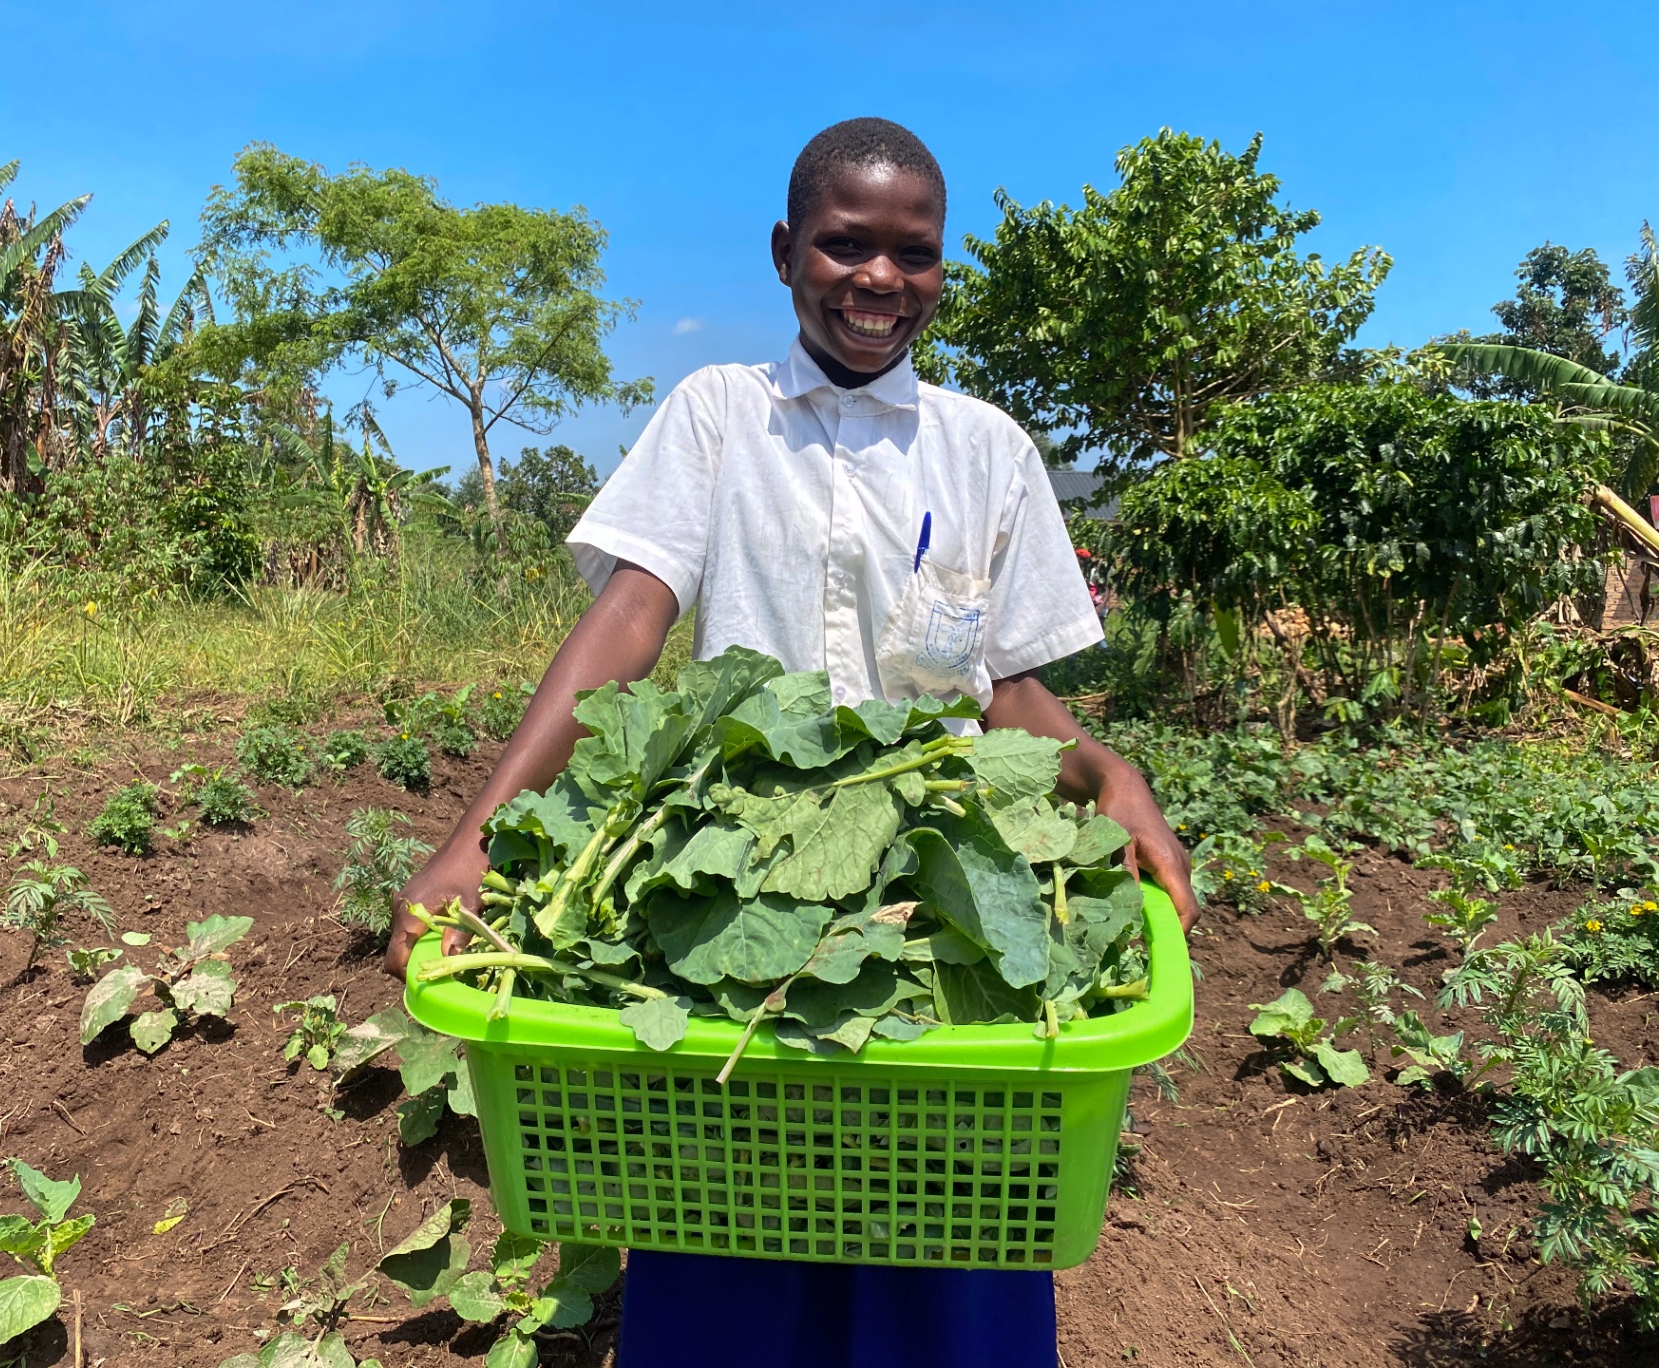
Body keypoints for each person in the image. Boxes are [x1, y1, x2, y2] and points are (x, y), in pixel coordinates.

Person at [383, 116, 1199, 1368]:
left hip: (927, 888)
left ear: (939, 267)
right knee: (726, 1242)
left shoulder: (985, 452)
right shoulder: (720, 417)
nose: (879, 280)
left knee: (948, 1239)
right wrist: (474, 840)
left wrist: (1105, 769)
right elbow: (632, 615)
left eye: (912, 254)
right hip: (727, 881)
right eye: (845, 246)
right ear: (785, 252)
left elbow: (1011, 696)